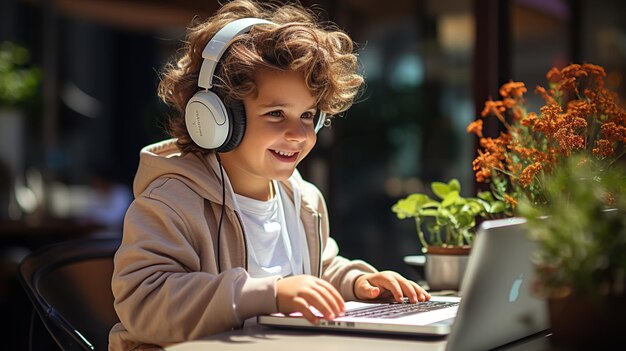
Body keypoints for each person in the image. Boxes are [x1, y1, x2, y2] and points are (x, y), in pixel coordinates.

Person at [109, 1, 430, 349]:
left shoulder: (303, 200)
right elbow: (144, 304)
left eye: (308, 115)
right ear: (217, 117)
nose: (299, 134)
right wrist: (269, 294)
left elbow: (319, 271)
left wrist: (357, 282)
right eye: (276, 113)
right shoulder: (172, 202)